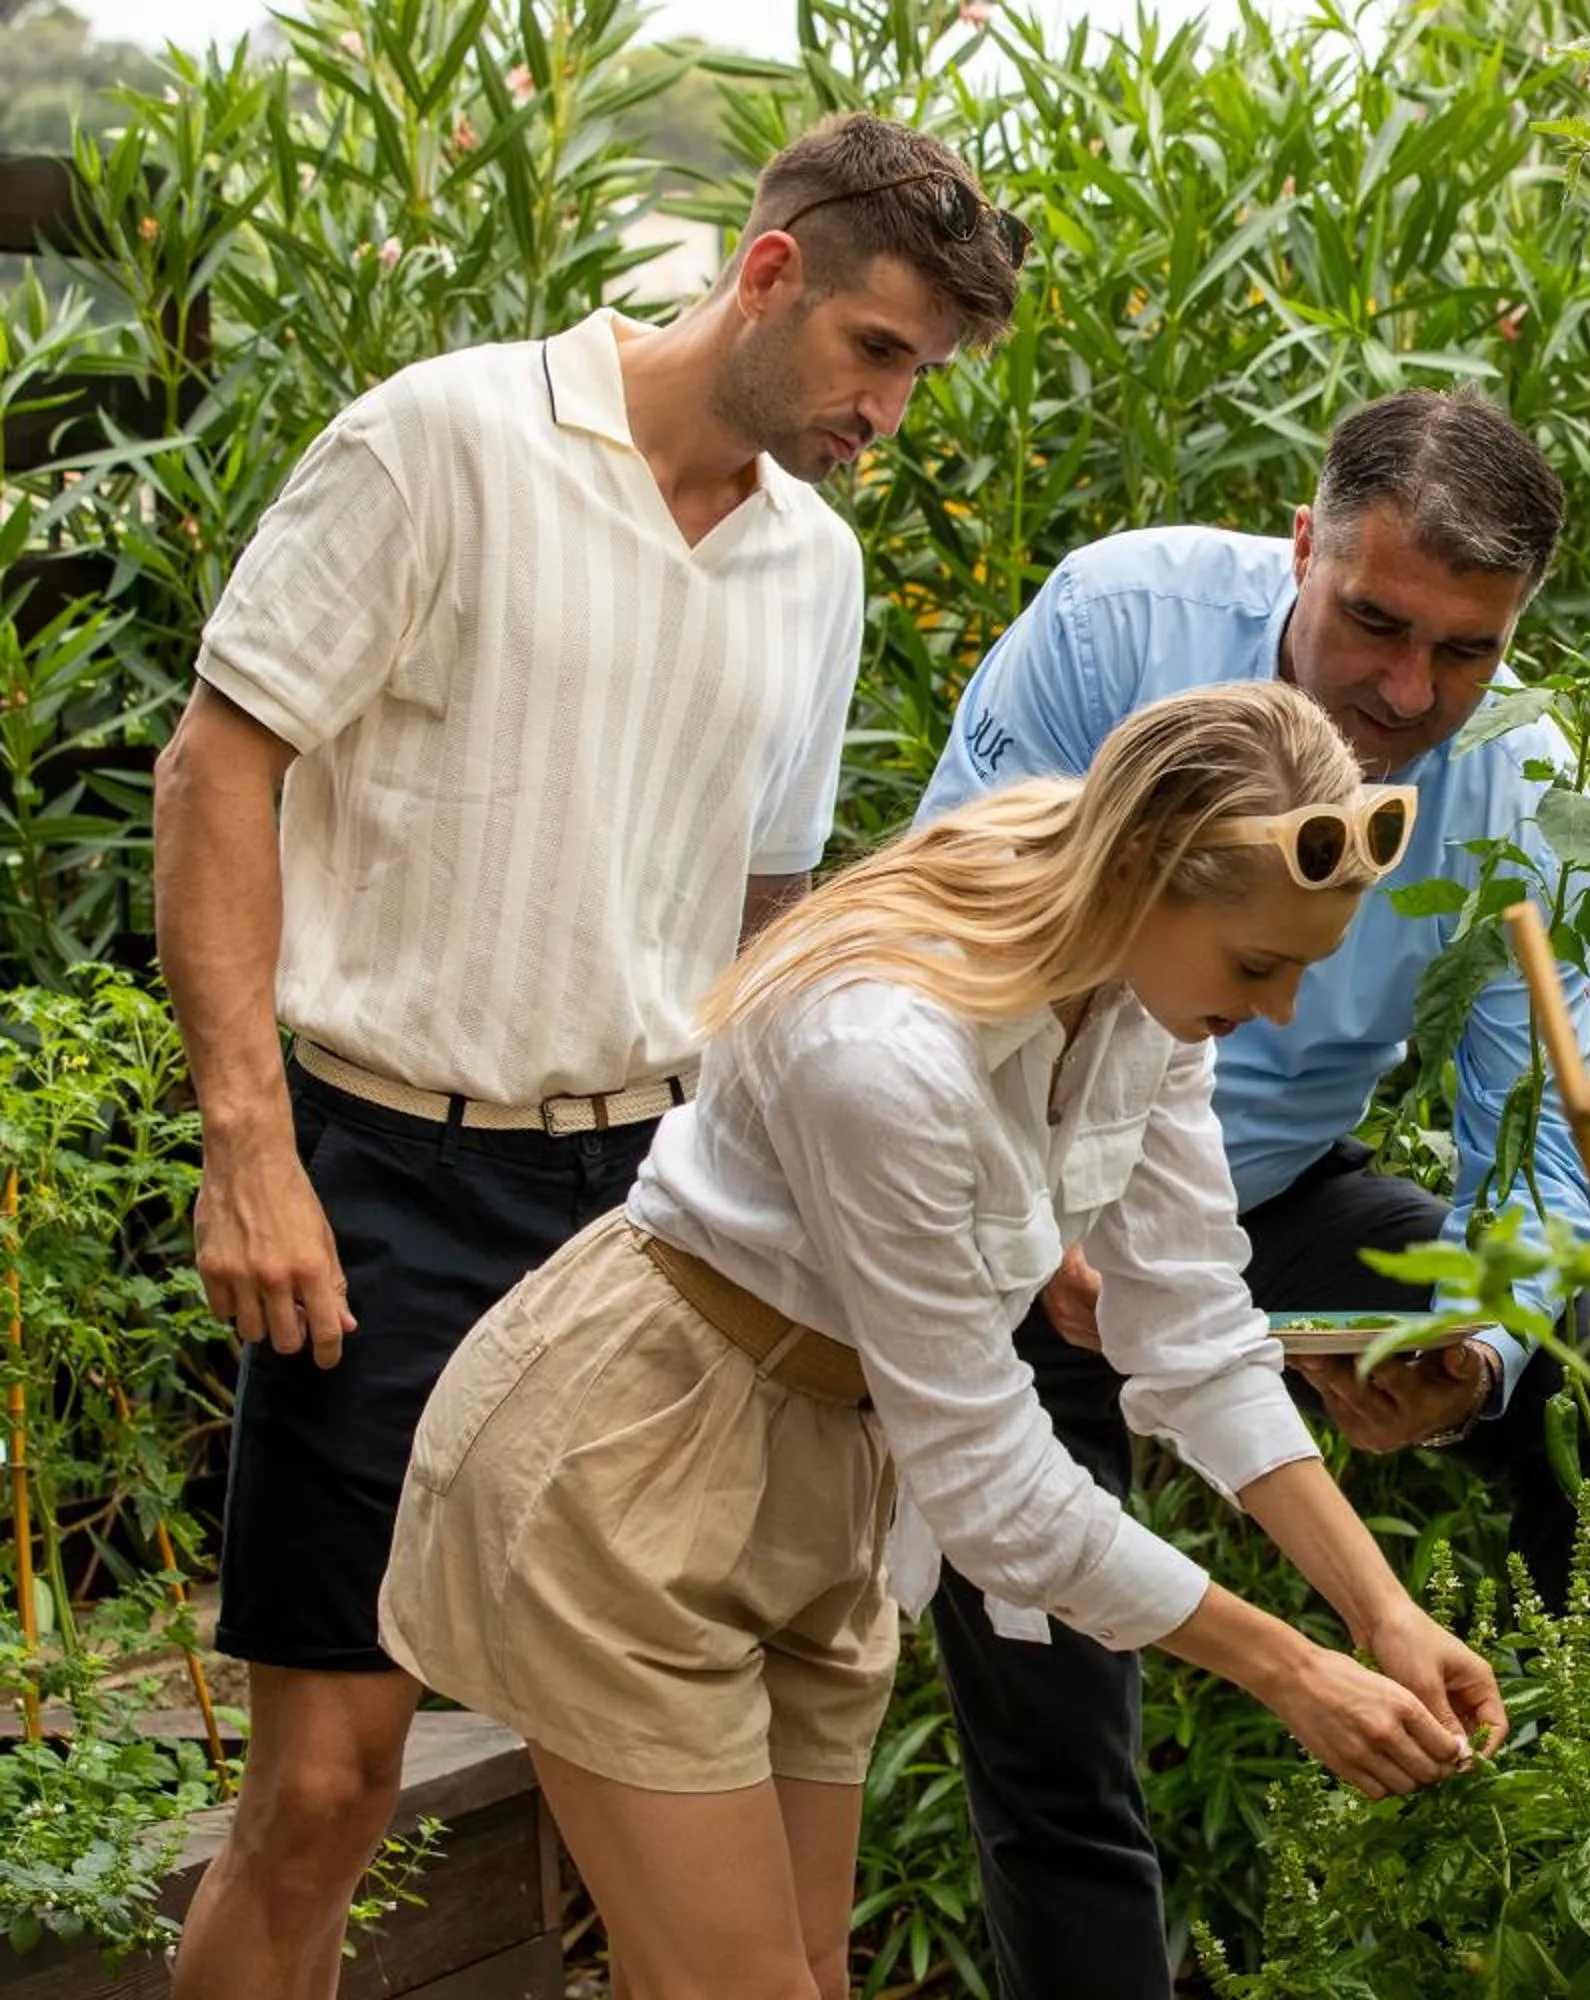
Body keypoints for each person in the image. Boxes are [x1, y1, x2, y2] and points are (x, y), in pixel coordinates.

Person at [149, 114, 1023, 2000]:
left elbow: (763, 923)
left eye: (922, 379)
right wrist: (249, 1150)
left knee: (667, 1808)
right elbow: (217, 766)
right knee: (323, 1789)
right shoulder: (443, 440)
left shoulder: (817, 570)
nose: (889, 412)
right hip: (381, 1173)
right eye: (878, 353)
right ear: (769, 270)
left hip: (646, 1220)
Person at [378, 679, 1503, 2000]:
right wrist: (1291, 1670)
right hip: (639, 1448)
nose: (1283, 1014)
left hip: (834, 1465)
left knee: (801, 1970)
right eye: (1261, 966)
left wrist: (1381, 1615)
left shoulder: (1142, 990)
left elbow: (1192, 1331)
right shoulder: (884, 1046)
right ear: (1141, 867)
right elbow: (995, 1488)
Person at [916, 388, 1590, 1998]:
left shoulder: (1522, 784)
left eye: (1467, 655)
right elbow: (949, 967)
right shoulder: (1117, 626)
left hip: (1261, 1184)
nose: (1407, 691)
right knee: (1052, 1668)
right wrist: (1045, 1241)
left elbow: (1539, 1141)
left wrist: (1481, 1351)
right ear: (1302, 544)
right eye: (1376, 623)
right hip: (1000, 1180)